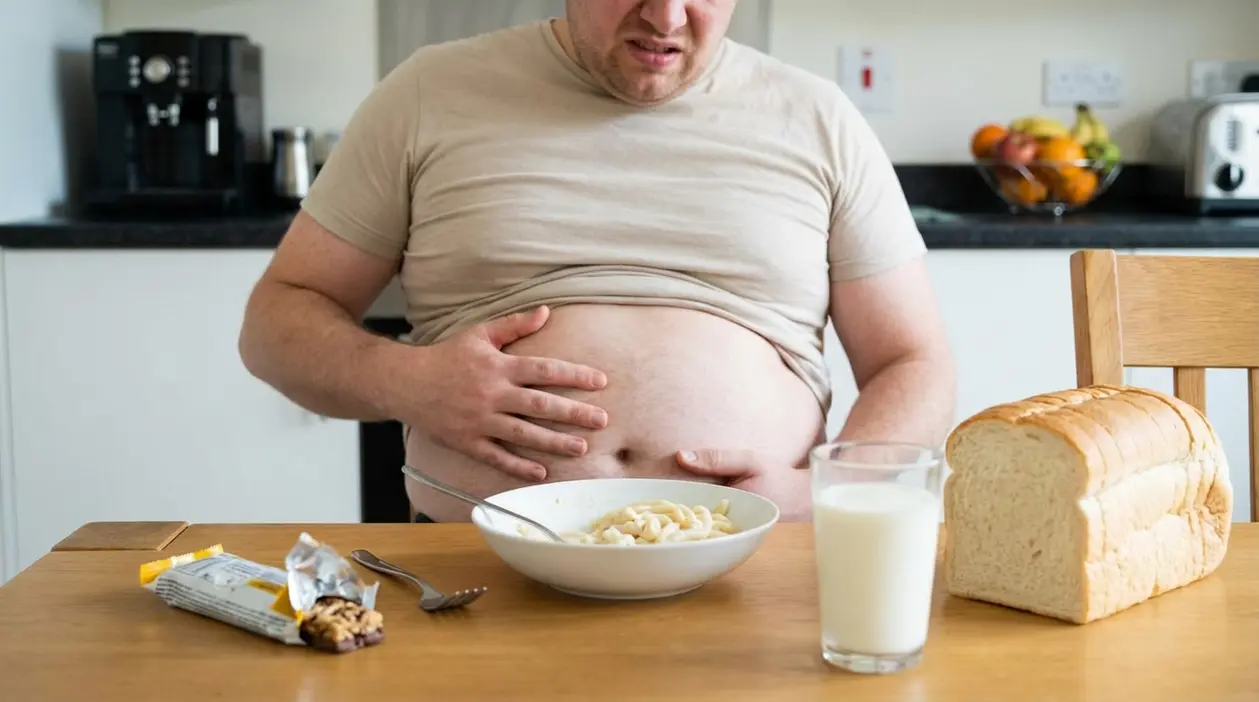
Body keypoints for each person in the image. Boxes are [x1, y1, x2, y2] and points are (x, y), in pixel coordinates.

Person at [237, 0, 956, 524]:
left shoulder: (818, 119)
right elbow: (276, 320)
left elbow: (912, 362)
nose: (667, 17)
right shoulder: (427, 93)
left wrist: (831, 490)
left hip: (754, 562)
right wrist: (408, 382)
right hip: (479, 569)